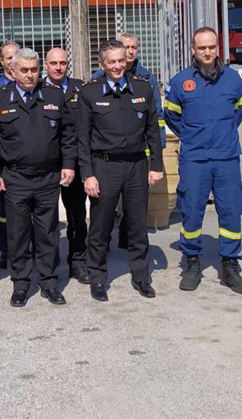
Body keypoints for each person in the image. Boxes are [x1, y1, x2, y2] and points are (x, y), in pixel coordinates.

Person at [0, 48, 77, 307]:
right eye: (24, 70)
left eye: (34, 70)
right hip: (15, 178)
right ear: (12, 71)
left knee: (48, 232)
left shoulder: (54, 96)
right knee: (18, 234)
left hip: (48, 178)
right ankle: (21, 284)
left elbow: (68, 135)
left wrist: (69, 165)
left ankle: (49, 282)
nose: (30, 75)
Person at [163, 27, 242, 295]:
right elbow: (171, 116)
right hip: (195, 159)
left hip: (226, 157)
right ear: (193, 49)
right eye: (202, 47)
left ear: (217, 47)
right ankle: (192, 262)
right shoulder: (180, 82)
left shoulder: (233, 79)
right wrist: (193, 136)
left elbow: (238, 112)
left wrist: (221, 135)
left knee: (231, 210)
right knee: (191, 210)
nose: (207, 51)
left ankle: (230, 265)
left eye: (211, 46)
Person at [78, 40, 164, 302]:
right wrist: (87, 175)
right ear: (102, 64)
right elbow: (83, 138)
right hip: (104, 167)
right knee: (100, 226)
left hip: (137, 166)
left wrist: (156, 166)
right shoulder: (90, 92)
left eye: (121, 61)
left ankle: (141, 277)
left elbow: (153, 130)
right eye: (111, 62)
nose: (117, 66)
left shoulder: (143, 88)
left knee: (137, 226)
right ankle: (97, 277)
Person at [92, 32, 166, 249]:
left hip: (137, 155)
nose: (131, 51)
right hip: (108, 158)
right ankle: (104, 242)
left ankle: (127, 238)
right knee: (106, 206)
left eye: (134, 47)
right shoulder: (99, 77)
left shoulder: (147, 79)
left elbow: (156, 118)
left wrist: (157, 155)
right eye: (127, 47)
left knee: (134, 206)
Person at [44, 47, 89, 284]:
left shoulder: (81, 89)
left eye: (62, 63)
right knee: (46, 219)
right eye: (53, 63)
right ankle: (47, 264)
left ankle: (78, 262)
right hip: (48, 164)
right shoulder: (37, 90)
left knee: (77, 216)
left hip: (75, 163)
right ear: (46, 65)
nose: (58, 67)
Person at [0, 40, 20, 269]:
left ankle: (26, 249)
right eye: (8, 57)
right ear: (1, 61)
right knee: (2, 213)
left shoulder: (32, 85)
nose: (12, 61)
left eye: (16, 56)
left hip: (25, 160)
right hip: (3, 162)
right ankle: (5, 250)